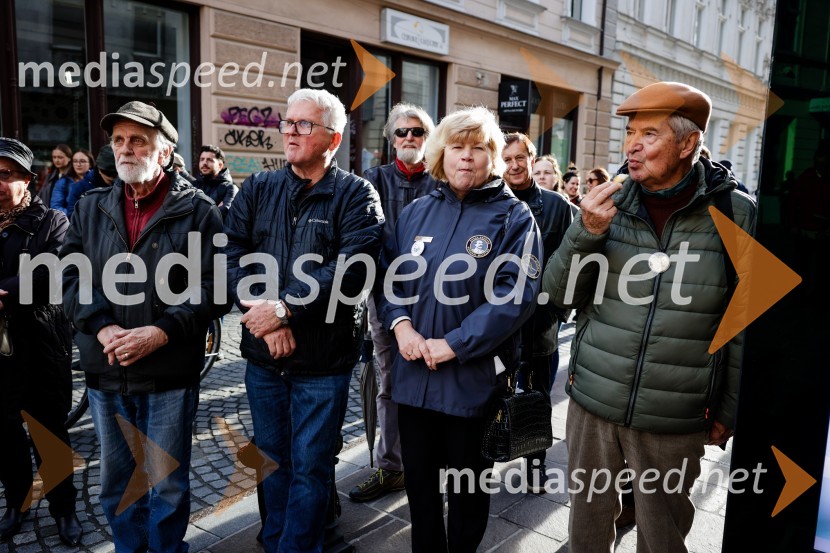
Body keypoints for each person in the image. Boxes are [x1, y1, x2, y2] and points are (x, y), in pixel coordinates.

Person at [543, 81, 756, 552]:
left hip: (674, 415)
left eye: (650, 134)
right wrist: (586, 231)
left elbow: (746, 325)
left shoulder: (734, 213)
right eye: (630, 133)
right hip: (594, 402)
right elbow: (557, 293)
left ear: (688, 143)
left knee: (663, 534)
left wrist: (729, 409)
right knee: (587, 528)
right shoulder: (608, 203)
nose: (632, 145)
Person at [224, 88, 383, 553]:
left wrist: (286, 308)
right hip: (263, 360)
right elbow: (232, 254)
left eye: (303, 125)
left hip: (323, 362)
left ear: (332, 139)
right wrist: (268, 317)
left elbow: (353, 266)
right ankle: (275, 541)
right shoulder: (257, 188)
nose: (290, 132)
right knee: (271, 461)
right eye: (287, 123)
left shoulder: (356, 194)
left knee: (312, 466)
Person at [61, 101, 225, 553]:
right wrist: (100, 326)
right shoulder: (90, 206)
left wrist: (162, 331)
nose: (126, 149)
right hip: (106, 367)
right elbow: (68, 274)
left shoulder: (200, 211)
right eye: (118, 141)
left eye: (138, 141)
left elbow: (215, 286)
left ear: (166, 152)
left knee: (167, 485)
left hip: (168, 370)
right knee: (117, 485)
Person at [376, 107, 541, 553]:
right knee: (421, 491)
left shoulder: (515, 217)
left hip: (470, 382)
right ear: (440, 155)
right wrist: (402, 326)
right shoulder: (415, 213)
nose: (465, 157)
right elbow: (392, 279)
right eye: (456, 147)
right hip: (413, 380)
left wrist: (455, 344)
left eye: (478, 148)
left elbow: (515, 295)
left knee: (467, 493)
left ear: (493, 157)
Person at [349, 103, 438, 503]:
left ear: (427, 138)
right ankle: (391, 468)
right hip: (384, 301)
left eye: (416, 132)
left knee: (436, 381)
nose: (408, 139)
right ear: (390, 140)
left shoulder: (442, 181)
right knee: (389, 384)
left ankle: (432, 466)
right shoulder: (373, 180)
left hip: (438, 300)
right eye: (401, 133)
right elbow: (366, 241)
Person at [0, 138, 81, 547]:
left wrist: (5, 291)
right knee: (5, 434)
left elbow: (52, 270)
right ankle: (15, 503)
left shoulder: (53, 220)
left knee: (48, 431)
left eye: (6, 174)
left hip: (40, 343)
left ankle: (64, 508)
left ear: (28, 180)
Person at [502, 132, 573, 493]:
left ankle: (535, 466)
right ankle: (488, 454)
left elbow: (576, 258)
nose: (514, 165)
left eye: (520, 157)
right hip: (497, 323)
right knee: (493, 394)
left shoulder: (558, 205)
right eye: (507, 158)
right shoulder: (492, 200)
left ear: (532, 159)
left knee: (538, 396)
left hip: (540, 323)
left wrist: (558, 309)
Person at [51, 148, 95, 219]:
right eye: (75, 161)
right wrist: (73, 214)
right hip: (70, 221)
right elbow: (55, 206)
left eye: (82, 161)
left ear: (90, 164)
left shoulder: (97, 180)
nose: (78, 164)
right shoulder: (64, 182)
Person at [195, 144, 237, 218]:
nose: (204, 163)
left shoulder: (230, 188)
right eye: (202, 159)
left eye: (209, 160)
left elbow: (222, 215)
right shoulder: (194, 186)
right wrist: (215, 209)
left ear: (220, 165)